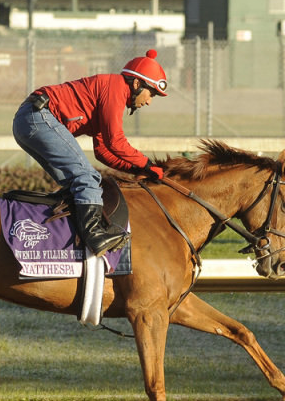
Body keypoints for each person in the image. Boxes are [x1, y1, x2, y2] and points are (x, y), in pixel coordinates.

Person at [12, 49, 168, 258]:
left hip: (29, 119)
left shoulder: (112, 93)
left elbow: (103, 150)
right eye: (152, 93)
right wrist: (147, 164)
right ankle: (95, 237)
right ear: (137, 84)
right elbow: (116, 141)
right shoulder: (115, 88)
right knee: (87, 178)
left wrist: (137, 168)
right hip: (38, 117)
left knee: (76, 184)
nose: (149, 101)